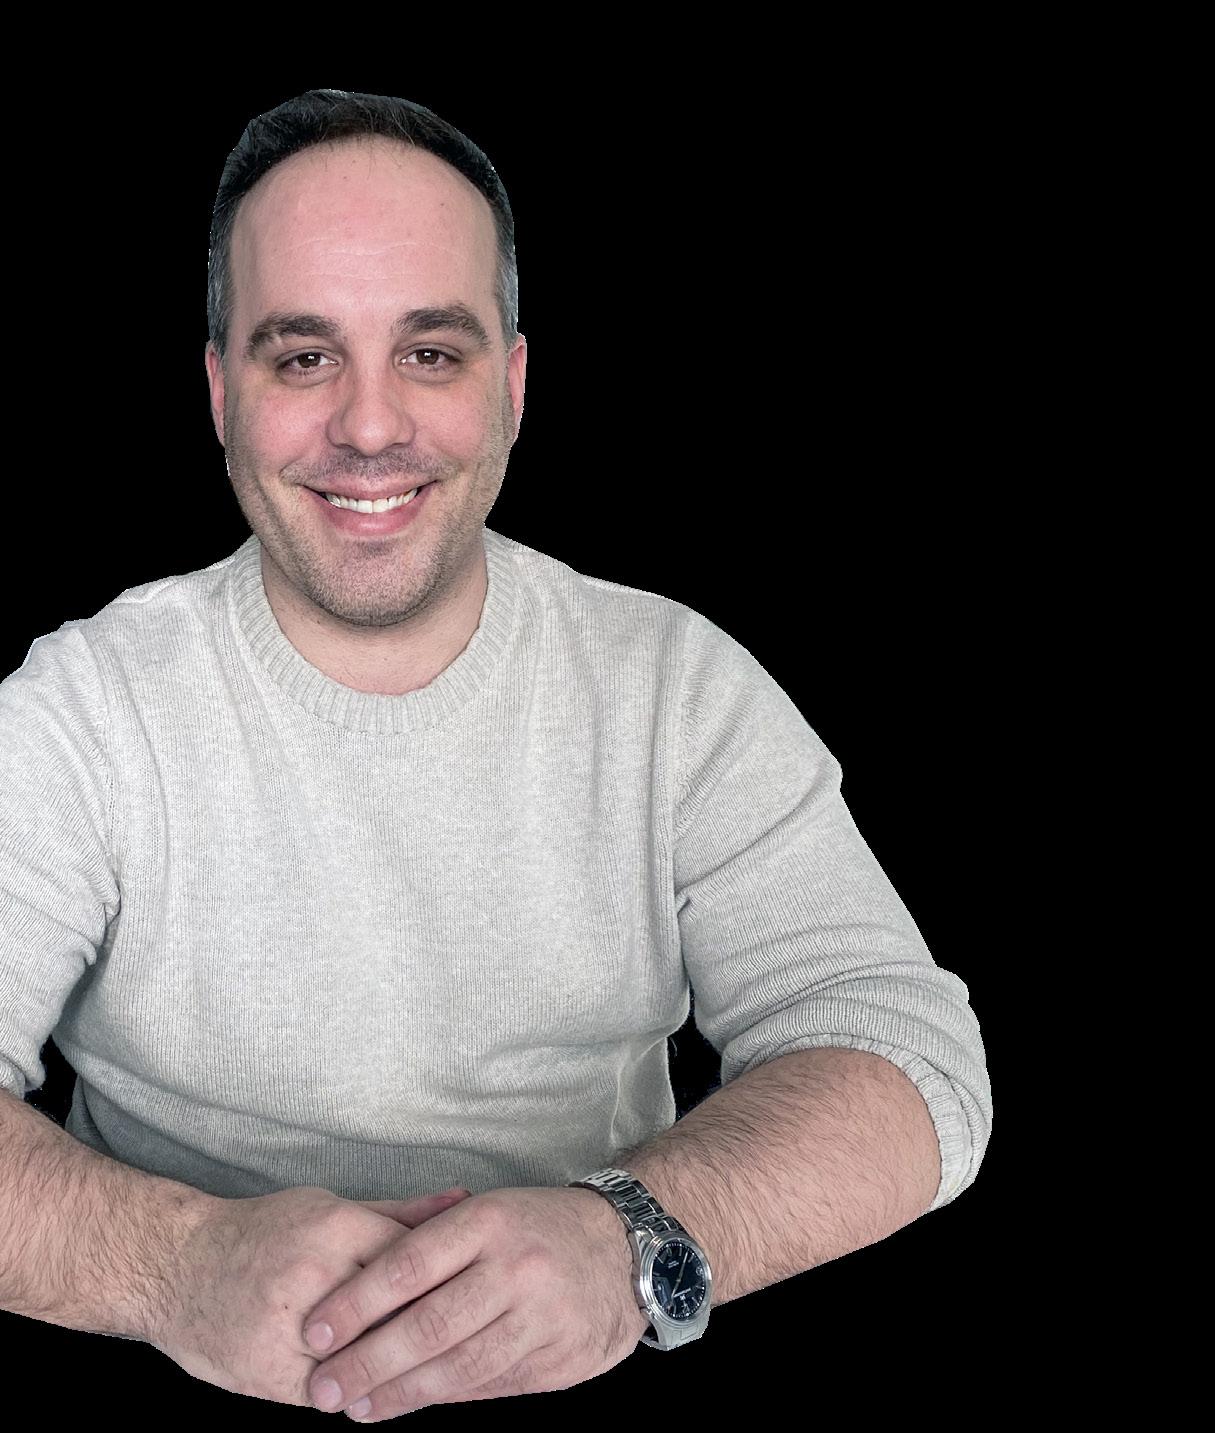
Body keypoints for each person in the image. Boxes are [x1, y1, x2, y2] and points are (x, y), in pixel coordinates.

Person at [0, 89, 991, 1412]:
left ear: (513, 385)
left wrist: (633, 1240)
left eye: (430, 352)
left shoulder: (673, 689)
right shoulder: (85, 706)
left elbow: (911, 1056)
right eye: (303, 356)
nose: (368, 427)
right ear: (221, 389)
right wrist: (172, 1264)